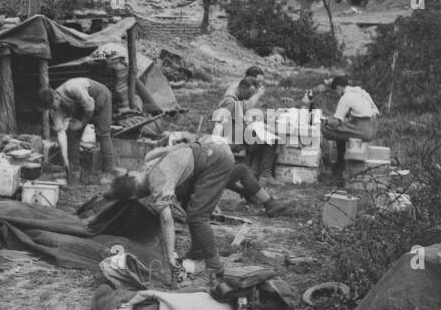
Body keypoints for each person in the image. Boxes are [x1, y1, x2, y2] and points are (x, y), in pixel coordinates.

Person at [103, 133, 290, 279]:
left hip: (213, 159)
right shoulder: (148, 164)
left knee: (197, 216)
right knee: (189, 199)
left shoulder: (157, 180)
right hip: (207, 151)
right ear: (133, 175)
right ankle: (198, 248)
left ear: (135, 194)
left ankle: (214, 267)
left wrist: (169, 255)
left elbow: (167, 219)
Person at [36, 77, 116, 184]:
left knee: (103, 134)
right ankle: (74, 171)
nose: (53, 110)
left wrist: (82, 123)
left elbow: (90, 106)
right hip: (84, 107)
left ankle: (108, 173)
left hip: (100, 96)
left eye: (52, 106)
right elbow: (61, 133)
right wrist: (65, 160)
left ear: (56, 97)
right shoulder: (53, 109)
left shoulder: (71, 88)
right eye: (50, 108)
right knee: (72, 134)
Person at [212, 79, 278, 180]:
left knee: (265, 136)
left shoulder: (237, 97)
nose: (249, 96)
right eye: (249, 92)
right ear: (242, 88)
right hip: (231, 138)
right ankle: (264, 174)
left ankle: (255, 170)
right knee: (270, 139)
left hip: (237, 134)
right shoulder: (230, 100)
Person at [319, 75, 379, 179]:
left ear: (338, 88)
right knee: (342, 132)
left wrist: (324, 121)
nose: (337, 95)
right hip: (373, 126)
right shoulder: (361, 92)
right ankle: (340, 163)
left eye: (335, 92)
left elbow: (337, 122)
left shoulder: (346, 97)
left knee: (326, 131)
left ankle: (335, 165)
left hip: (363, 129)